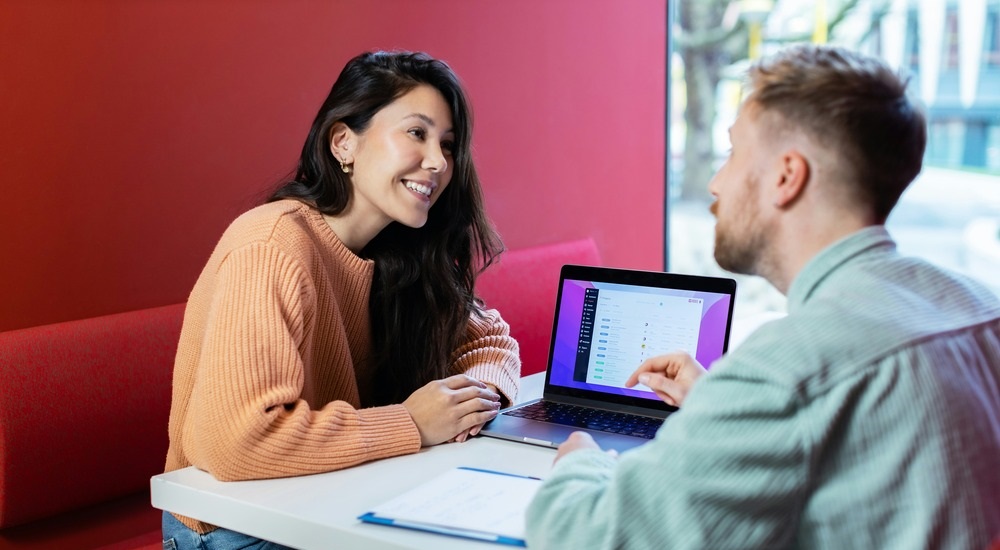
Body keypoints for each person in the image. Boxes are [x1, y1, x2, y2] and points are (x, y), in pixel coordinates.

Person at [525, 44, 1000, 549]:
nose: (714, 183)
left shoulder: (784, 370)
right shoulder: (982, 310)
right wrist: (721, 405)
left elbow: (584, 535)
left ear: (786, 176)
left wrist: (581, 461)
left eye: (732, 153)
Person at [162, 51, 520, 549]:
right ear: (343, 142)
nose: (439, 162)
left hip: (340, 501)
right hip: (240, 528)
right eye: (417, 133)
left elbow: (491, 341)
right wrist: (412, 423)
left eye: (448, 144)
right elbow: (236, 442)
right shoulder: (271, 246)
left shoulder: (400, 250)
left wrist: (466, 405)